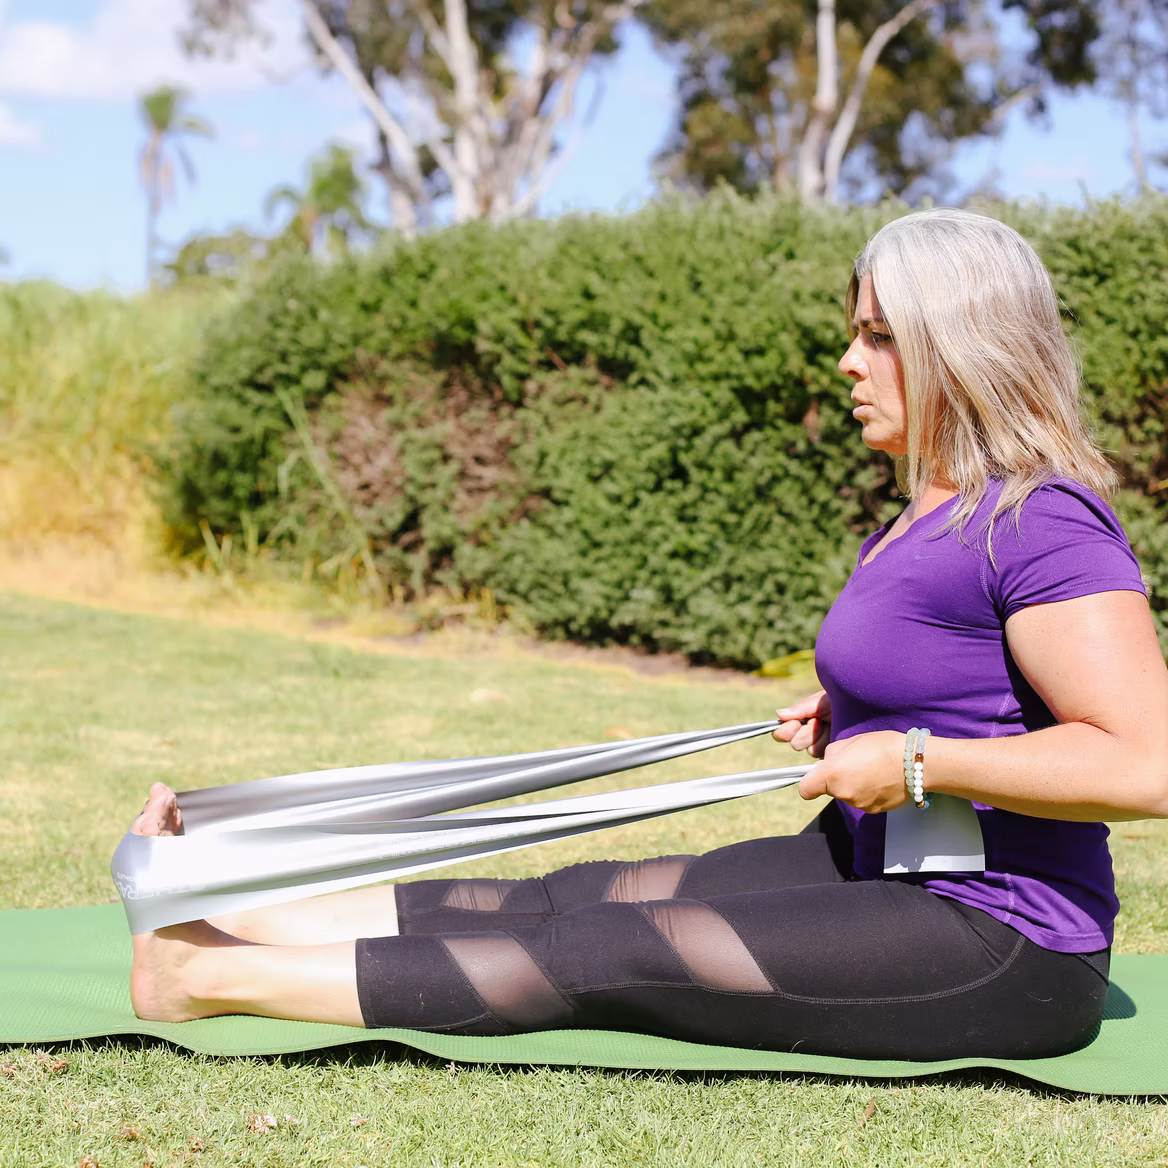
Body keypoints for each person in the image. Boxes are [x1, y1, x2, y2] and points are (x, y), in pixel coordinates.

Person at [128, 209, 1168, 1060]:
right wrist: (856, 716)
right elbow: (965, 685)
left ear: (960, 348)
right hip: (864, 867)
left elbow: (1146, 765)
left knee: (612, 945)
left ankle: (205, 974)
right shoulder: (916, 518)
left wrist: (912, 760)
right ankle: (239, 914)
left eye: (880, 336)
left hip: (1002, 938)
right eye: (856, 330)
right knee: (574, 892)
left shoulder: (1043, 518)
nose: (848, 361)